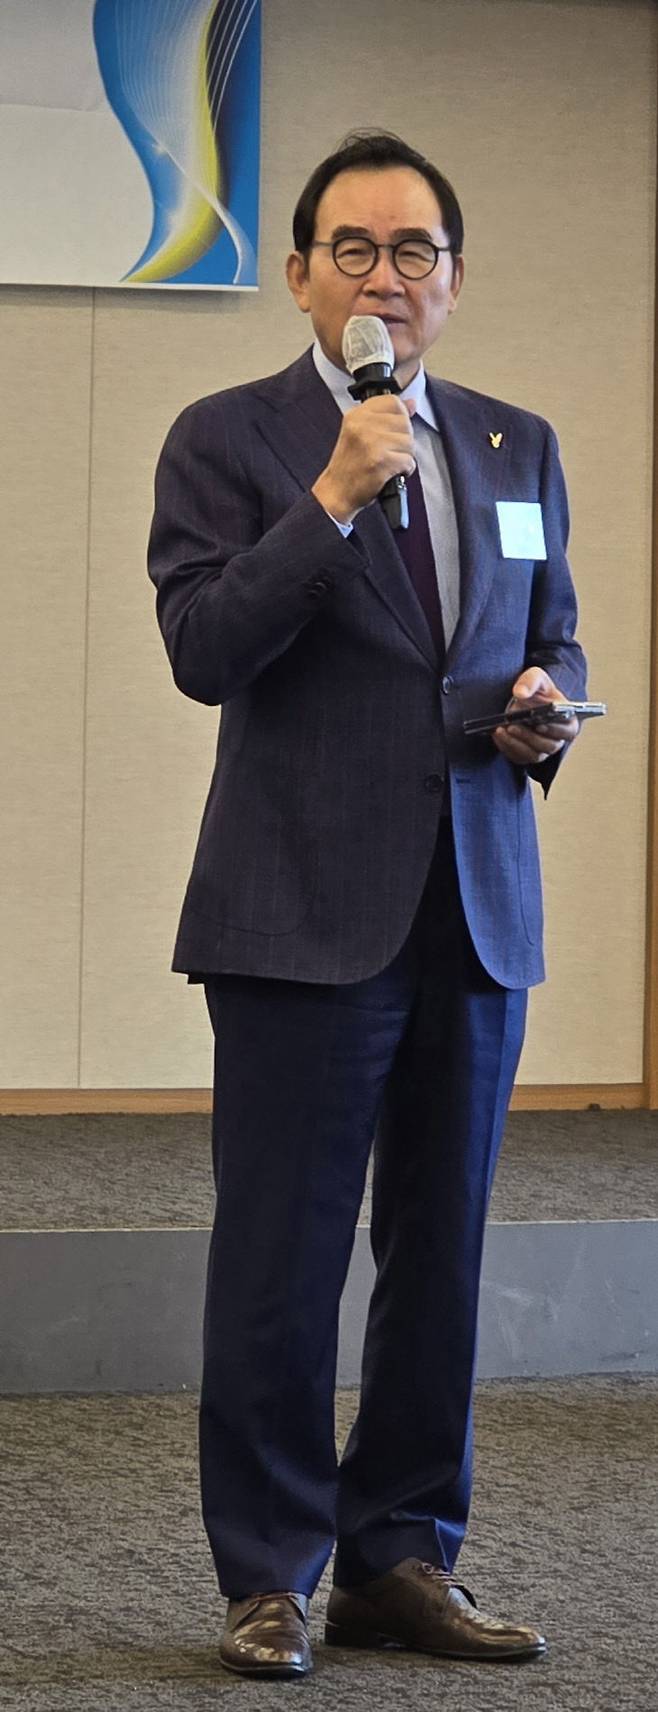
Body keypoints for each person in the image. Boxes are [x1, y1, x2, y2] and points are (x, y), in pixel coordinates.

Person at [148, 130, 586, 1680]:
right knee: (279, 1258)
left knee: (438, 1253)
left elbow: (552, 636)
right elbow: (206, 649)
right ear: (298, 275)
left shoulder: (516, 443)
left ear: (451, 281)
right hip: (296, 909)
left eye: (414, 251)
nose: (383, 277)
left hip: (474, 902)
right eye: (353, 248)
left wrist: (544, 706)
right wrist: (331, 496)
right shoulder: (229, 438)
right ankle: (270, 1571)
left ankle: (401, 1552)